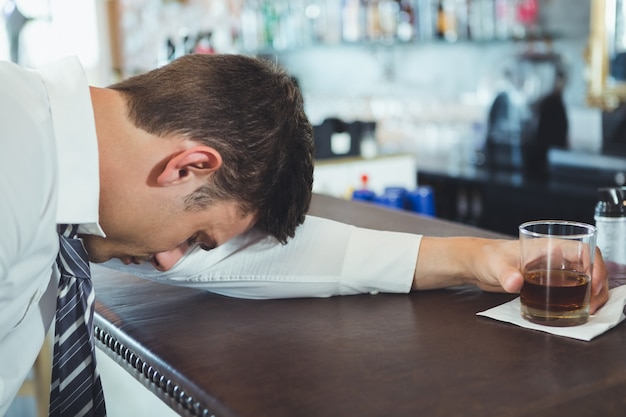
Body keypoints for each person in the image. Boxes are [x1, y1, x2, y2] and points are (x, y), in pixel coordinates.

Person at [0, 53, 609, 416]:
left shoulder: (76, 185)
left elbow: (255, 260)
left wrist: (481, 257)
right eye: (198, 234)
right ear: (188, 167)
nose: (169, 263)